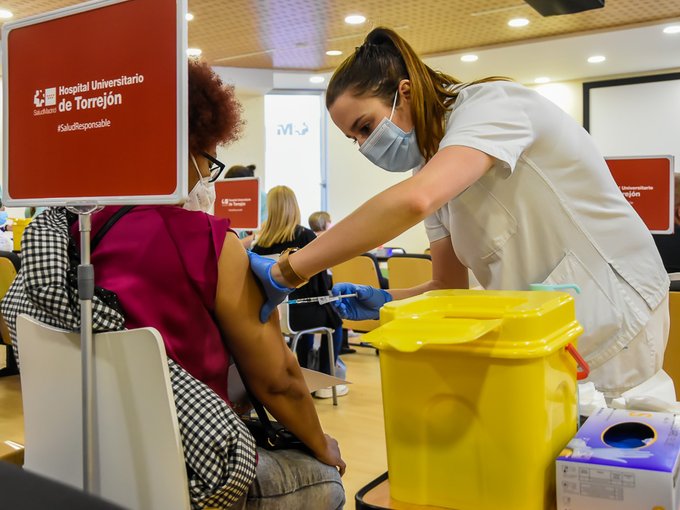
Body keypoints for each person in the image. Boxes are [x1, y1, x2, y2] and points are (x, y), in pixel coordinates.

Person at [247, 27, 673, 403]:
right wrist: (384, 303)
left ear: (405, 92)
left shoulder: (491, 106)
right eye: (352, 138)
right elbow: (447, 286)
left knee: (618, 462)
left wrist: (290, 269)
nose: (364, 145)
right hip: (548, 330)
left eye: (364, 126)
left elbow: (416, 200)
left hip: (615, 316)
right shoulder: (428, 164)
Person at [1, 59, 345, 510]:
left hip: (80, 459)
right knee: (326, 481)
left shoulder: (66, 239)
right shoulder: (209, 242)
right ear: (184, 146)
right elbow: (278, 380)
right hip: (192, 471)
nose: (209, 176)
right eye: (208, 159)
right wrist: (321, 444)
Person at [252, 187, 347, 398]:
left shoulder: (259, 243)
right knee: (334, 320)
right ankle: (325, 381)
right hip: (300, 310)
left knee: (306, 321)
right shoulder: (304, 236)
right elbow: (320, 279)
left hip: (272, 314)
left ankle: (303, 374)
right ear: (294, 207)